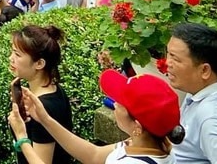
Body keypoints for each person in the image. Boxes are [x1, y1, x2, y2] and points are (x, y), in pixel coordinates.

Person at [13, 69, 183, 164]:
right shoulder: (155, 144)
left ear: (137, 127)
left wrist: (22, 139)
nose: (114, 104)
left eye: (120, 102)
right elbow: (93, 155)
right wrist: (45, 119)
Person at [163, 23, 217, 164]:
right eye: (168, 54)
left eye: (175, 58)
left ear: (204, 70)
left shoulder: (213, 119)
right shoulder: (206, 88)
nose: (167, 62)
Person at [8, 24, 73, 164]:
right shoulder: (52, 90)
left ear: (39, 64)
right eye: (12, 52)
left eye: (17, 54)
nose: (11, 58)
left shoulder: (44, 108)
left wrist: (20, 136)